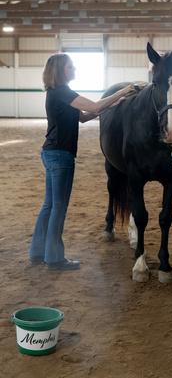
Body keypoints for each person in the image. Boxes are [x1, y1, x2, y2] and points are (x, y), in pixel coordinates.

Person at [29, 53, 143, 271]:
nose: (74, 69)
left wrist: (113, 104)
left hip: (51, 152)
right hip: (61, 155)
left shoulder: (56, 93)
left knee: (49, 205)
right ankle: (54, 258)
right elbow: (95, 107)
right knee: (58, 209)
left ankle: (37, 252)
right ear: (60, 70)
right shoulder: (63, 92)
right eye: (70, 67)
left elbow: (82, 117)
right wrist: (124, 91)